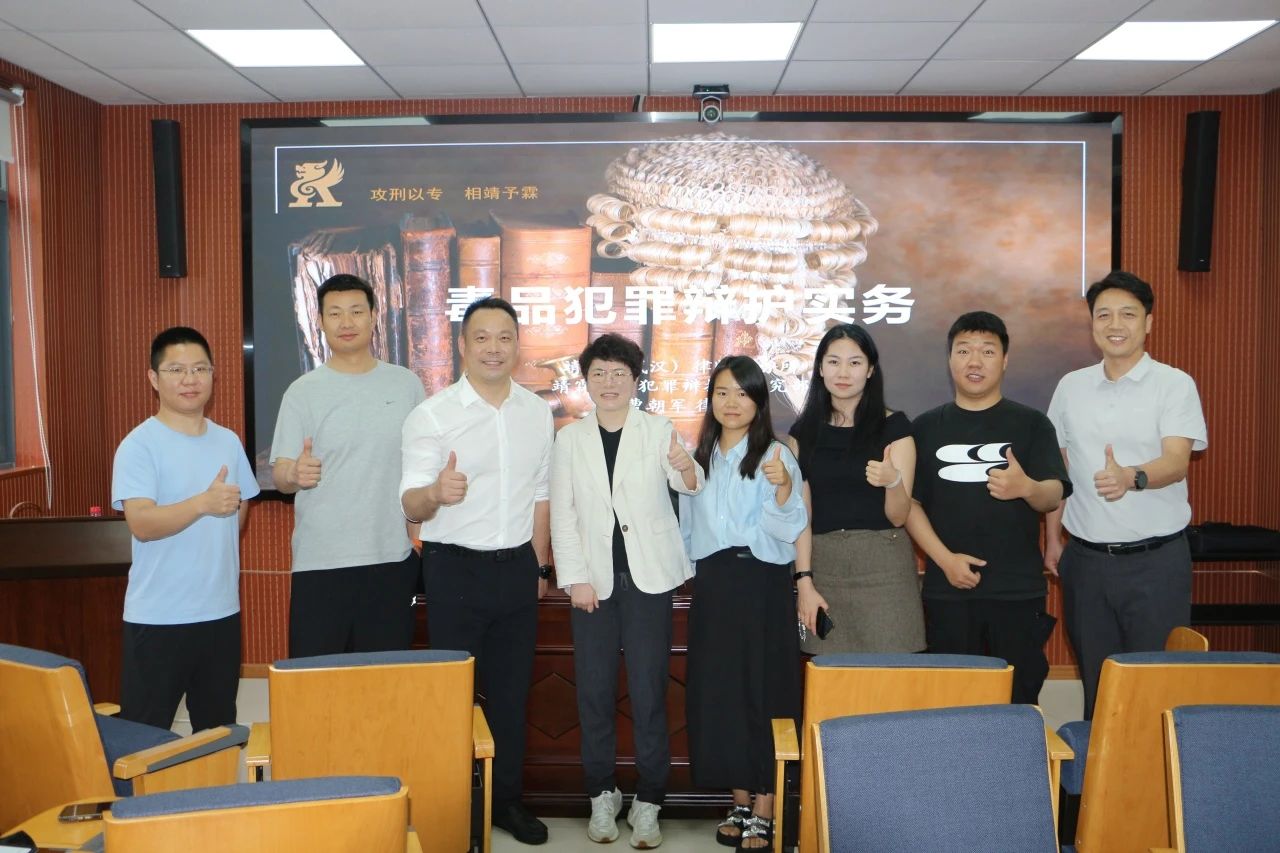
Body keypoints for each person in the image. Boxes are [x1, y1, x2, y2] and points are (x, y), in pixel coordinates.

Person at [399, 296, 554, 846]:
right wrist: (435, 493)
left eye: (504, 337)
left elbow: (540, 495)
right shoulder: (432, 415)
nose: (494, 348)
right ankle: (456, 807)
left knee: (511, 696)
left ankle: (505, 801)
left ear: (518, 346)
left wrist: (540, 565)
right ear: (462, 346)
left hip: (516, 568)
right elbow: (409, 503)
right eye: (482, 337)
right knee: (453, 699)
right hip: (454, 570)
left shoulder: (536, 412)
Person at [551, 333, 703, 849]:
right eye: (599, 373)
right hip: (591, 583)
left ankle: (649, 801)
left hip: (648, 580)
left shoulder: (657, 429)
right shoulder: (570, 439)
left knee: (648, 691)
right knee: (593, 692)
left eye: (619, 373)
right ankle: (602, 794)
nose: (609, 382)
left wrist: (685, 467)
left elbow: (688, 484)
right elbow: (563, 513)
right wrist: (574, 577)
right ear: (586, 381)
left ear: (635, 380)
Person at [1045, 271, 1207, 719]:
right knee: (1098, 688)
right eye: (1104, 315)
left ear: (1148, 323)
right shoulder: (1071, 386)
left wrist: (1131, 477)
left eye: (1128, 314)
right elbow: (1060, 471)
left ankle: (1159, 768)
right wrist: (1054, 539)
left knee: (1157, 690)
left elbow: (1176, 461)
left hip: (1156, 563)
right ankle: (1098, 768)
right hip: (1086, 563)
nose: (1115, 324)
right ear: (1092, 323)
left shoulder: (1174, 384)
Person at [905, 312, 1069, 705]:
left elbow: (1053, 493)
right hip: (947, 592)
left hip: (1016, 592)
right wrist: (945, 561)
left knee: (1017, 702)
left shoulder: (1032, 424)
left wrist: (1026, 487)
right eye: (963, 351)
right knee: (950, 706)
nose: (974, 361)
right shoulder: (925, 427)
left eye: (987, 351)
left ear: (1005, 360)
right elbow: (910, 504)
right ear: (950, 359)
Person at [681, 355, 807, 851]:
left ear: (759, 401)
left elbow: (790, 527)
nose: (731, 402)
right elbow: (688, 525)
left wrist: (783, 488)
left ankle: (766, 804)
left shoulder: (777, 453)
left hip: (761, 582)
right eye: (722, 392)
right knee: (722, 693)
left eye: (742, 392)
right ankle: (738, 800)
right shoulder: (700, 455)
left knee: (764, 690)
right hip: (714, 584)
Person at [111, 326, 258, 731]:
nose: (190, 379)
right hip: (158, 616)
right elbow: (141, 523)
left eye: (200, 369)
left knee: (217, 730)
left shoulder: (228, 441)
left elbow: (239, 507)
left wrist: (216, 511)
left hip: (221, 612)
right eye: (176, 370)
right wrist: (201, 504)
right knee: (145, 735)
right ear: (154, 378)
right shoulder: (139, 445)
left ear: (213, 375)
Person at [271, 274, 425, 658]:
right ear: (319, 321)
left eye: (356, 311)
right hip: (320, 562)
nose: (346, 322)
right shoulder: (302, 392)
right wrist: (294, 474)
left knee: (386, 681)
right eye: (335, 313)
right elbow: (281, 474)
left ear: (374, 316)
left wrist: (418, 538)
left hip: (391, 559)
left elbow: (421, 467)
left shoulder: (406, 385)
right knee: (318, 681)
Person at [787, 324, 924, 654]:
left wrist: (892, 481)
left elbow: (899, 516)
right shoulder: (802, 434)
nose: (843, 372)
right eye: (834, 362)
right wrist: (804, 581)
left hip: (885, 569)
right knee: (830, 677)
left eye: (855, 362)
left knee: (890, 675)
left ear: (871, 369)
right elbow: (800, 517)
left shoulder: (895, 428)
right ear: (820, 368)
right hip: (824, 570)